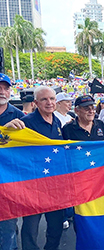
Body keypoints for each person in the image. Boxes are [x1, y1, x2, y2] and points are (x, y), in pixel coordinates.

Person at [6, 86, 64, 250]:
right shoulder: (27, 123)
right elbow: (7, 141)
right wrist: (7, 130)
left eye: (52, 99)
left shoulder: (58, 122)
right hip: (33, 184)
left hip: (55, 183)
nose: (49, 103)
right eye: (45, 99)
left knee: (56, 225)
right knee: (31, 227)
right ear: (36, 102)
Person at [0, 73, 24, 250]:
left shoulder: (20, 116)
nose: (2, 91)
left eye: (5, 87)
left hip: (8, 183)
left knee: (8, 229)